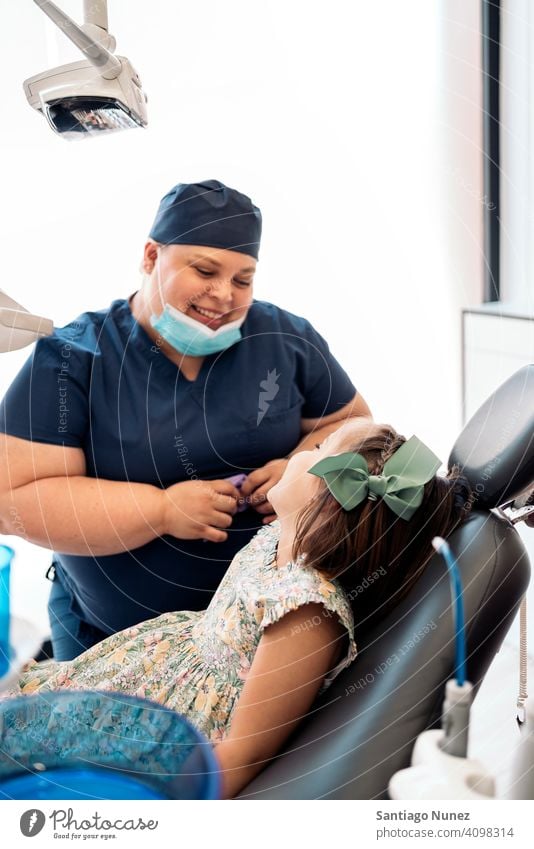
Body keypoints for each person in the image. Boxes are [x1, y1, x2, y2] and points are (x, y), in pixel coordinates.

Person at [0, 418, 472, 799]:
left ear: (329, 499)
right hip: (137, 684)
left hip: (165, 738)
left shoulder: (306, 613)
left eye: (320, 448)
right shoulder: (280, 544)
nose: (301, 452)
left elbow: (242, 756)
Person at [0, 179, 371, 661]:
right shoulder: (73, 357)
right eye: (205, 270)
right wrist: (162, 511)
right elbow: (13, 497)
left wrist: (305, 464)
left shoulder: (285, 340)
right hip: (111, 643)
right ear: (152, 257)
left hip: (263, 641)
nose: (223, 294)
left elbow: (353, 425)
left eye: (243, 279)